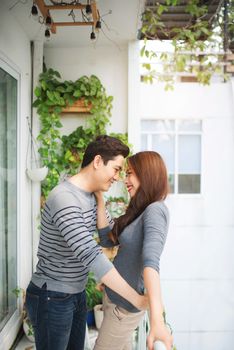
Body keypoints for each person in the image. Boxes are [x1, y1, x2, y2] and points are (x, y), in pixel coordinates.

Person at [25, 135, 148, 350]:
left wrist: (100, 200)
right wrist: (136, 300)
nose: (118, 177)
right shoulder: (64, 197)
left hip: (76, 293)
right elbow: (90, 254)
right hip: (51, 296)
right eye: (117, 169)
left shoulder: (90, 197)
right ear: (98, 161)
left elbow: (108, 240)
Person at [94, 151, 173, 350]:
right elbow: (107, 240)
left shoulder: (155, 210)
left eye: (130, 174)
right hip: (113, 298)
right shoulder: (139, 210)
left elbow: (150, 262)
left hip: (124, 309)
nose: (125, 180)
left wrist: (157, 319)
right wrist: (101, 201)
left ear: (147, 175)